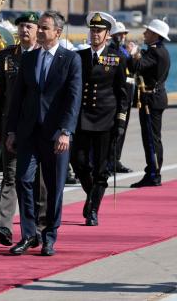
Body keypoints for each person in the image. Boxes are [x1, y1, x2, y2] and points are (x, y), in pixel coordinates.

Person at [6, 10, 81, 256]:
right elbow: (17, 98)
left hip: (55, 135)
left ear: (57, 32)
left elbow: (73, 99)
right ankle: (29, 234)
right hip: (28, 133)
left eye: (44, 28)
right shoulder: (29, 58)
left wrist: (65, 131)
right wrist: (12, 130)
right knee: (23, 180)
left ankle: (49, 235)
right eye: (38, 27)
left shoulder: (70, 59)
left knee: (54, 185)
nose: (39, 31)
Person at [0, 11, 47, 247]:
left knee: (39, 181)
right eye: (22, 26)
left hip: (38, 127)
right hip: (11, 127)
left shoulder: (45, 55)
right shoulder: (7, 56)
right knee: (10, 176)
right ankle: (4, 226)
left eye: (30, 26)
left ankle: (40, 228)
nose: (25, 30)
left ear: (38, 31)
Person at [70, 12, 127, 226]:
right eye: (92, 30)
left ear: (107, 34)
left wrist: (120, 122)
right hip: (82, 119)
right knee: (79, 163)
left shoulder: (116, 58)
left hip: (105, 120)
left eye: (99, 31)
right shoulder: (79, 57)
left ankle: (93, 209)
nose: (94, 34)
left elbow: (122, 93)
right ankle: (92, 193)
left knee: (101, 169)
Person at [129, 19, 171, 188]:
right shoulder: (158, 50)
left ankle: (153, 174)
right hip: (153, 98)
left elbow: (138, 66)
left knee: (151, 139)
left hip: (151, 100)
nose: (144, 34)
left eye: (147, 31)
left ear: (155, 35)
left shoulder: (156, 53)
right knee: (151, 138)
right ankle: (152, 172)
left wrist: (133, 53)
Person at [108, 22, 134, 174]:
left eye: (124, 34)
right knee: (114, 130)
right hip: (117, 95)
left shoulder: (124, 51)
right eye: (120, 34)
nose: (123, 36)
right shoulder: (113, 51)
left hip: (127, 95)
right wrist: (129, 54)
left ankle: (116, 159)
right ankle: (109, 160)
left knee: (121, 130)